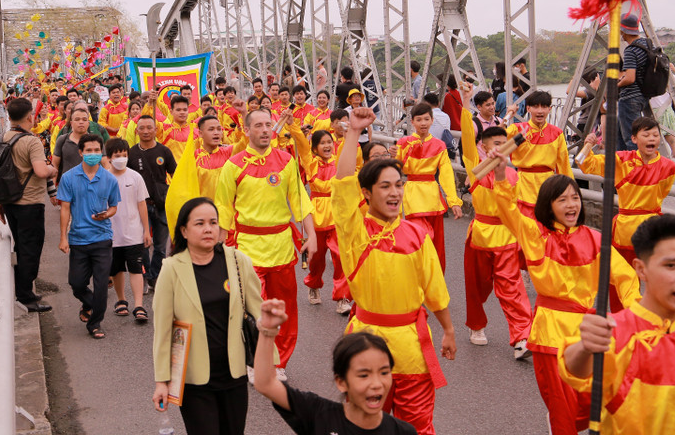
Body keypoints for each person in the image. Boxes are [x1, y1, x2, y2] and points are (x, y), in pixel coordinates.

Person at [332, 107, 455, 434]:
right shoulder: (354, 230)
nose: (395, 192)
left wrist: (449, 329)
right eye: (385, 186)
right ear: (367, 194)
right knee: (364, 425)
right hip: (365, 344)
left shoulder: (416, 234)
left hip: (413, 347)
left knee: (417, 426)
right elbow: (343, 181)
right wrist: (353, 133)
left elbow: (434, 287)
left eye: (399, 185)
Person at [491, 168, 640, 435]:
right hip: (551, 333)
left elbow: (626, 277)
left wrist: (636, 315)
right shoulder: (534, 235)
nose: (571, 204)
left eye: (575, 198)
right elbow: (507, 210)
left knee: (598, 402)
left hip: (588, 333)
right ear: (548, 206)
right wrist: (501, 175)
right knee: (563, 409)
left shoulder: (595, 239)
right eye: (562, 200)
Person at [558, 214, 675, 434]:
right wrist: (585, 346)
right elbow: (575, 370)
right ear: (640, 269)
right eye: (671, 265)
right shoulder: (614, 330)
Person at [215, 109, 318, 380]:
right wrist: (216, 248)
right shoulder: (233, 165)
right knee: (252, 308)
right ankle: (254, 359)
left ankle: (278, 361)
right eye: (257, 125)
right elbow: (223, 208)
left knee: (283, 306)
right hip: (247, 247)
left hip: (282, 245)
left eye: (267, 125)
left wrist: (312, 235)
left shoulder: (286, 161)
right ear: (246, 131)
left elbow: (300, 201)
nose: (263, 130)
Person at [152, 198, 266, 435]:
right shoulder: (171, 268)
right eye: (200, 223)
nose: (208, 229)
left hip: (234, 375)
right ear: (183, 230)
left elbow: (259, 314)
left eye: (213, 222)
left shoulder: (237, 261)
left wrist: (268, 364)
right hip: (193, 379)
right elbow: (162, 330)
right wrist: (161, 381)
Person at [254, 298, 417, 435]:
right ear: (341, 382)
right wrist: (267, 331)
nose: (376, 383)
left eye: (384, 372)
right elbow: (266, 384)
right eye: (364, 375)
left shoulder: (403, 432)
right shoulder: (319, 414)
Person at [458, 84, 531, 357]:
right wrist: (466, 100)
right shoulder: (475, 167)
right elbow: (467, 136)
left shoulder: (513, 175)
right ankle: (476, 326)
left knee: (512, 288)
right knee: (476, 287)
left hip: (507, 239)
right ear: (484, 147)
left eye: (504, 145)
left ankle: (522, 336)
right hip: (480, 235)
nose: (500, 149)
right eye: (495, 145)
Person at [579, 117, 675, 268]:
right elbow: (587, 164)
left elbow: (662, 193)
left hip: (652, 226)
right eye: (646, 135)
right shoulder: (621, 160)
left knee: (655, 278)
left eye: (656, 135)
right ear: (634, 139)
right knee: (621, 276)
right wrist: (588, 145)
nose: (652, 139)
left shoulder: (669, 166)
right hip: (626, 228)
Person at [286, 111, 352, 314]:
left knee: (340, 257)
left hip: (337, 213)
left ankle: (342, 297)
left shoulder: (339, 159)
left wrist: (352, 132)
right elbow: (301, 143)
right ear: (315, 148)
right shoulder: (310, 161)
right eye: (322, 143)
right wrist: (292, 126)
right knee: (316, 258)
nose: (327, 146)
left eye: (329, 142)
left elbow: (350, 150)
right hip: (316, 216)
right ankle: (313, 285)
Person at [0, 97, 58, 312]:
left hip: (11, 202)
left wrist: (0, 202)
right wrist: (52, 170)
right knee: (30, 249)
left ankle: (24, 291)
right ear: (30, 116)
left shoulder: (3, 137)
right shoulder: (31, 141)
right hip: (30, 202)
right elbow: (41, 171)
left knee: (22, 247)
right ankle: (25, 297)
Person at [56, 133, 120, 338]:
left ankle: (95, 323)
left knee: (102, 283)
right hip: (78, 239)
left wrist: (106, 215)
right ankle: (90, 304)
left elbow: (113, 207)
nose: (93, 154)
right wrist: (63, 237)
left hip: (102, 238)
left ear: (102, 152)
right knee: (76, 283)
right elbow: (65, 208)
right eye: (88, 151)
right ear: (81, 152)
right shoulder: (68, 178)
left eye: (96, 150)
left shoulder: (109, 178)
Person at [395, 102, 463, 273]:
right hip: (412, 196)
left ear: (432, 121)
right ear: (412, 122)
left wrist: (454, 201)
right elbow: (396, 170)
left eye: (426, 119)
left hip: (433, 197)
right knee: (418, 241)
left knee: (437, 245)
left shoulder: (439, 145)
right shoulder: (404, 143)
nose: (423, 123)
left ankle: (435, 285)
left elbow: (446, 174)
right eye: (419, 120)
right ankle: (418, 283)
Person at [505, 90, 573, 220]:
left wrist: (571, 192)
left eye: (544, 107)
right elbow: (494, 138)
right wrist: (508, 115)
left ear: (550, 109)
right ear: (528, 108)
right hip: (523, 185)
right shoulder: (517, 129)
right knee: (524, 230)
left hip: (548, 185)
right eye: (536, 107)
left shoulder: (557, 133)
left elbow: (564, 165)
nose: (540, 111)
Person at [104, 137, 151, 322]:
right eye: (117, 155)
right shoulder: (104, 177)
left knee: (136, 269)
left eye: (124, 155)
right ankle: (121, 300)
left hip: (134, 233)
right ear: (109, 157)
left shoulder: (135, 177)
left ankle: (139, 305)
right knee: (116, 270)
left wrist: (146, 231)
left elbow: (142, 205)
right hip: (112, 233)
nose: (121, 158)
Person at [129, 115, 176, 289]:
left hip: (162, 205)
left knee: (160, 246)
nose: (146, 131)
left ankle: (154, 276)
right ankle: (145, 275)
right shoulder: (132, 153)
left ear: (156, 130)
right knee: (142, 243)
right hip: (140, 205)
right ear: (137, 131)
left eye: (150, 127)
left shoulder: (164, 152)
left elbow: (176, 175)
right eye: (142, 128)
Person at [616, 13, 649, 151]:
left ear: (623, 31)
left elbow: (630, 78)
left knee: (631, 140)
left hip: (630, 98)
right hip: (644, 96)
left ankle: (634, 170)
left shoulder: (631, 50)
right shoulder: (648, 44)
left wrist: (616, 85)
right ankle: (623, 165)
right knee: (620, 136)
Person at [195, 115, 246, 199]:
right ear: (200, 133)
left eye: (219, 129)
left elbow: (245, 144)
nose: (216, 132)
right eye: (211, 129)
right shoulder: (194, 157)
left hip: (225, 209)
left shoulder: (228, 152)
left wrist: (244, 113)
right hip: (203, 208)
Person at [53, 106, 92, 183]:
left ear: (88, 123)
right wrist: (53, 190)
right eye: (77, 119)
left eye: (84, 120)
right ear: (71, 123)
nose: (81, 122)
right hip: (67, 186)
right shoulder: (62, 140)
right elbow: (55, 165)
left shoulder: (95, 141)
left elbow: (105, 163)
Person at [422, 93, 455, 158]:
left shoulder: (425, 116)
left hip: (429, 151)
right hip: (442, 150)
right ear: (439, 103)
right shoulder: (446, 116)